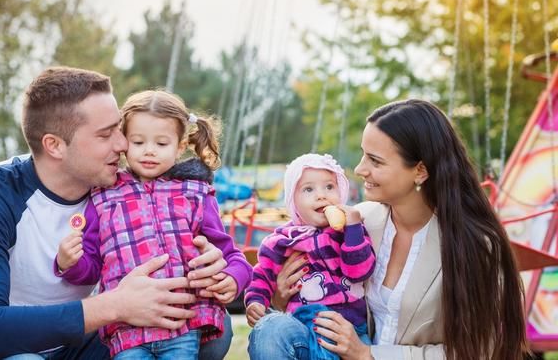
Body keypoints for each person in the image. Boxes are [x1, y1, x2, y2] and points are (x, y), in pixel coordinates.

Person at [0, 67, 234, 360]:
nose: (123, 143)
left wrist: (208, 264)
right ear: (55, 146)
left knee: (204, 326)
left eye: (119, 128)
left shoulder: (118, 190)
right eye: (105, 135)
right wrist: (114, 305)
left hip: (70, 345)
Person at [248, 99, 529, 360]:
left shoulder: (475, 244)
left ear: (420, 171)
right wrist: (280, 297)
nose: (360, 169)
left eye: (376, 161)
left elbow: (480, 350)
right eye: (363, 155)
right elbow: (320, 292)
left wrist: (369, 354)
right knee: (271, 330)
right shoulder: (358, 222)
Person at [54, 89, 252, 359]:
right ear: (124, 141)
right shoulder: (103, 196)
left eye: (161, 144)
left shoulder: (195, 193)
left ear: (180, 146)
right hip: (127, 333)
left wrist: (233, 277)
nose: (149, 151)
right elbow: (92, 268)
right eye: (138, 142)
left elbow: (230, 254)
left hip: (182, 325)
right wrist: (70, 263)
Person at [244, 153, 375, 358]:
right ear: (293, 201)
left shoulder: (350, 232)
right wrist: (255, 301)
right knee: (271, 329)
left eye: (329, 187)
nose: (321, 195)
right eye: (308, 189)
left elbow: (360, 272)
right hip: (303, 327)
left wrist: (353, 230)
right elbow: (262, 275)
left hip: (350, 329)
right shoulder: (281, 241)